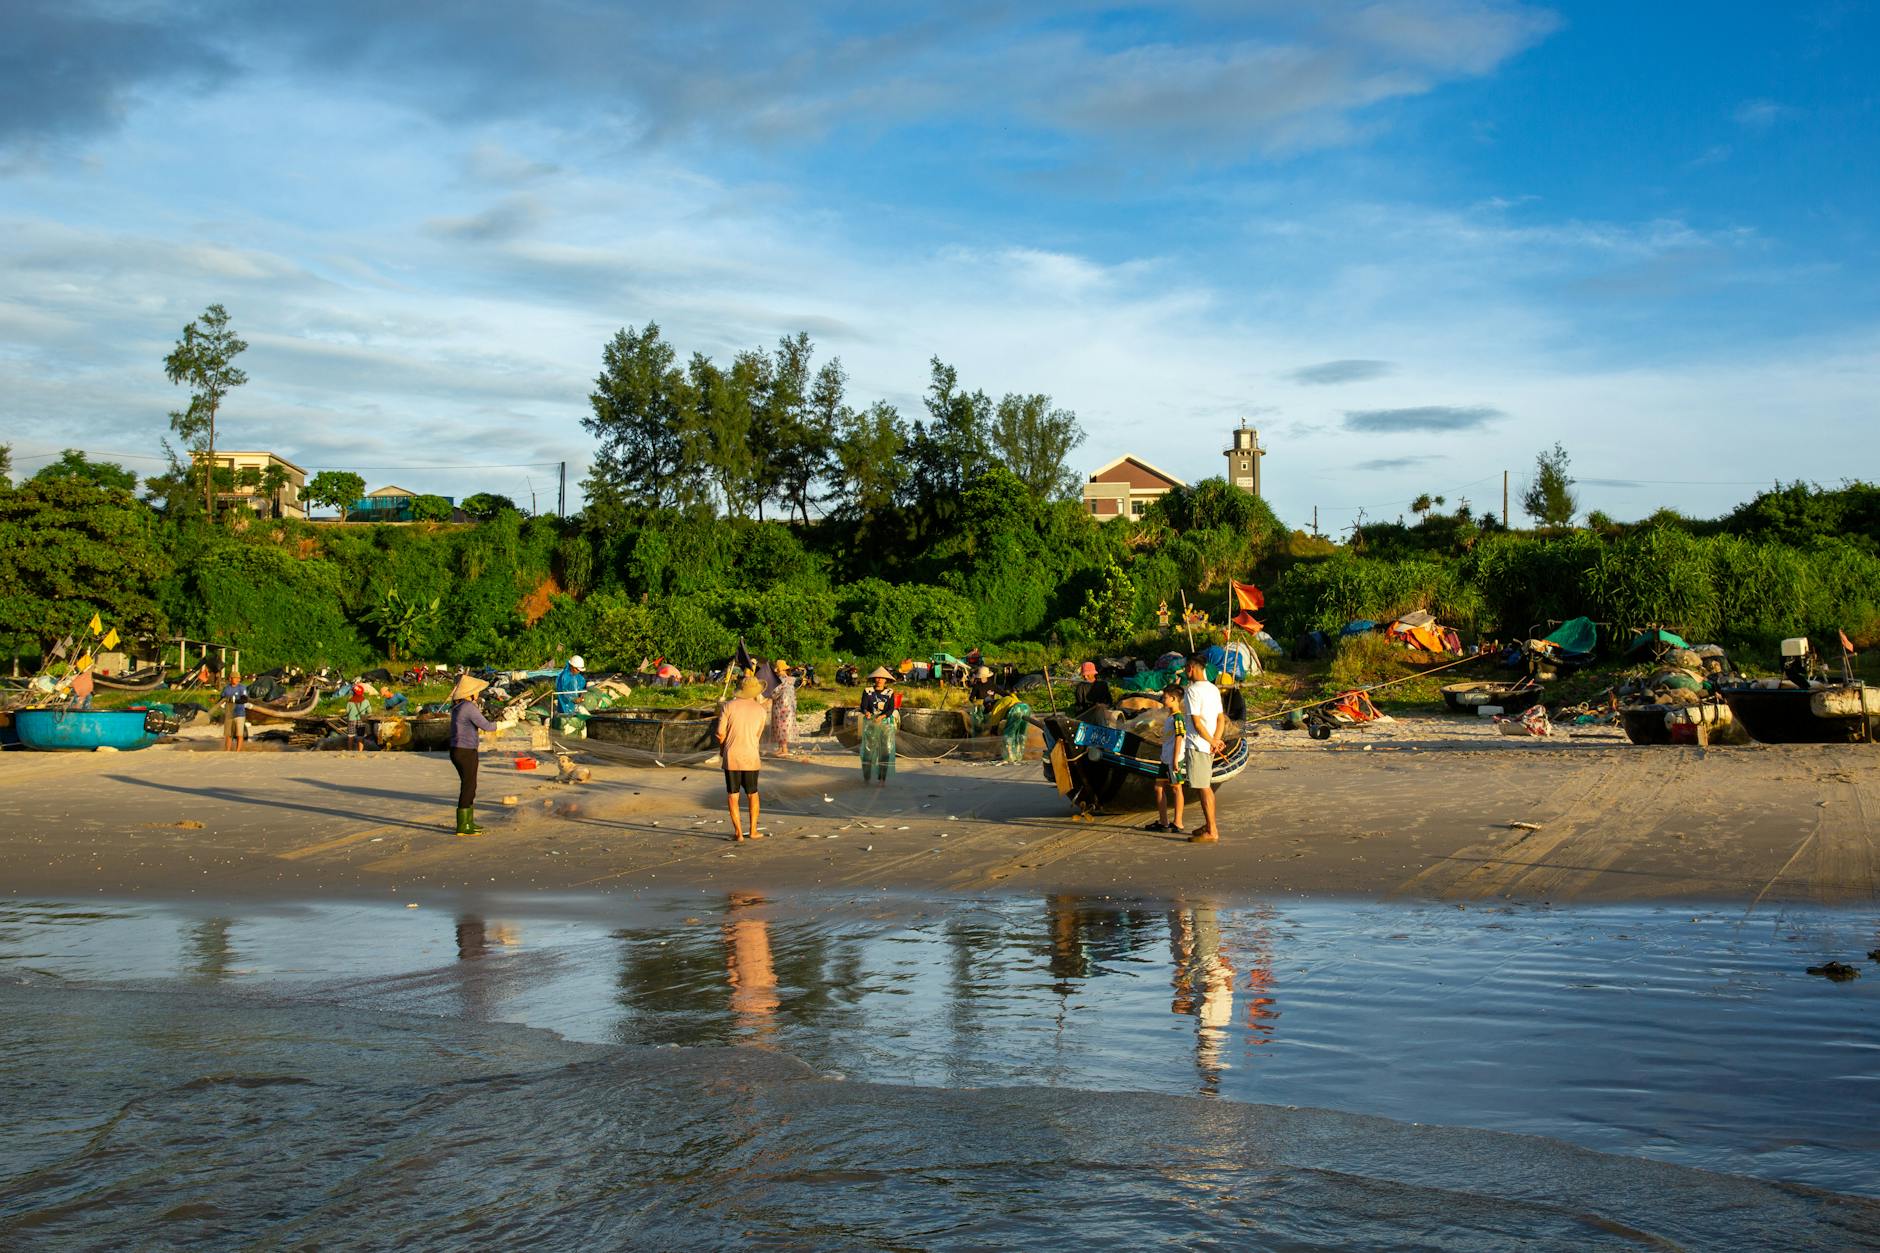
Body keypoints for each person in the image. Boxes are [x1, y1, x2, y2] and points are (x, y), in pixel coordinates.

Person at [716, 677, 770, 840]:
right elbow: (758, 735)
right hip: (751, 757)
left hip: (732, 756)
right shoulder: (761, 710)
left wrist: (722, 749)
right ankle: (753, 830)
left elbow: (720, 733)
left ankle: (738, 833)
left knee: (733, 795)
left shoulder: (728, 706)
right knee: (753, 793)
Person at [1181, 656, 1225, 843]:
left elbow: (1196, 723)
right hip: (1208, 743)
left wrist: (1212, 741)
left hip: (1198, 744)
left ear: (1191, 668)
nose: (1184, 672)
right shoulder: (1213, 688)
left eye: (1185, 669)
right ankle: (1208, 825)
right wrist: (1216, 739)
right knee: (1203, 786)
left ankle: (1212, 830)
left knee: (1204, 787)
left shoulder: (1192, 691)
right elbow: (1220, 719)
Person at [449, 674, 497, 836]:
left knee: (468, 785)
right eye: (476, 692)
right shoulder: (468, 707)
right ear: (470, 694)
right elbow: (487, 726)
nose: (478, 694)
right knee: (469, 787)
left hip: (457, 750)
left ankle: (468, 821)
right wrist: (506, 723)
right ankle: (463, 825)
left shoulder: (457, 707)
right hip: (466, 751)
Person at [1149, 684, 1187, 833]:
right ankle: (1164, 821)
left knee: (1176, 788)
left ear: (1173, 699)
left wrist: (1176, 759)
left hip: (1173, 758)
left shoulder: (1178, 718)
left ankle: (1178, 822)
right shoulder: (1170, 717)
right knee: (1158, 788)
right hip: (1165, 758)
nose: (1163, 700)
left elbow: (1180, 737)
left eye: (1165, 697)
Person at [858, 666, 900, 785]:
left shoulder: (890, 692)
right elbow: (863, 706)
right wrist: (866, 712)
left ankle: (882, 778)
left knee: (885, 751)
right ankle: (866, 777)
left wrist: (882, 717)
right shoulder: (867, 691)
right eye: (877, 677)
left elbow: (891, 709)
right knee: (868, 751)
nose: (880, 680)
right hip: (870, 724)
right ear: (874, 679)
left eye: (882, 678)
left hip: (885, 725)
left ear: (886, 680)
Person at [769, 660, 798, 758]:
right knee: (783, 727)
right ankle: (781, 748)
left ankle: (784, 749)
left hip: (781, 707)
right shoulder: (790, 680)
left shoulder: (780, 680)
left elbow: (774, 693)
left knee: (781, 727)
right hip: (789, 707)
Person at [216, 669, 250, 752]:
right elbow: (221, 699)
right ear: (230, 678)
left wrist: (234, 701)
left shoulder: (242, 688)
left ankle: (238, 751)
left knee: (239, 734)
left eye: (238, 678)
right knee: (228, 735)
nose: (237, 679)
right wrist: (219, 703)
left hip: (239, 714)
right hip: (229, 714)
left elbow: (244, 700)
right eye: (235, 678)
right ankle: (227, 750)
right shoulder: (226, 688)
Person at [344, 682, 372, 752]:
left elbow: (347, 712)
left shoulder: (350, 702)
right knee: (360, 737)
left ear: (354, 693)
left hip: (351, 720)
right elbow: (369, 711)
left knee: (350, 736)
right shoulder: (366, 701)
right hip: (361, 720)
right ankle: (360, 751)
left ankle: (350, 750)